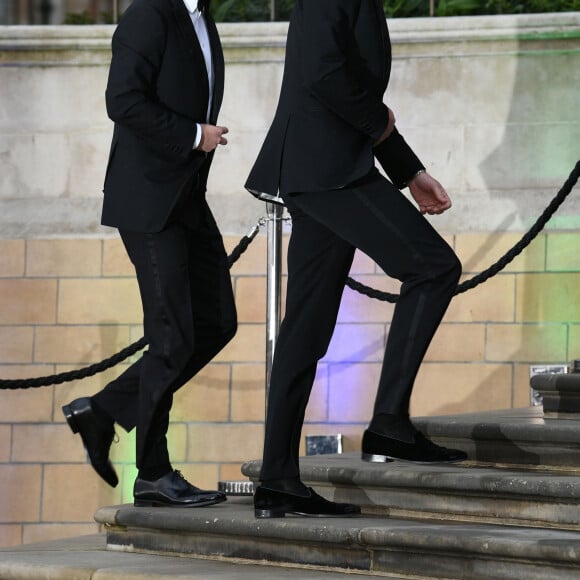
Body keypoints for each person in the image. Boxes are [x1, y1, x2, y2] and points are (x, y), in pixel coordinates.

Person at [245, 0, 466, 519]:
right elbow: (325, 76)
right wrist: (384, 132)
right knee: (434, 266)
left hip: (327, 170)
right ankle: (388, 422)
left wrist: (409, 170)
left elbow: (353, 94)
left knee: (306, 328)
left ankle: (278, 478)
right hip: (328, 175)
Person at [62, 0, 237, 508]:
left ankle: (102, 409)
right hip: (148, 201)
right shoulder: (148, 14)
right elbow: (123, 100)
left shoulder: (201, 18)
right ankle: (153, 473)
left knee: (217, 323)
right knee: (172, 336)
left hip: (187, 200)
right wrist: (192, 135)